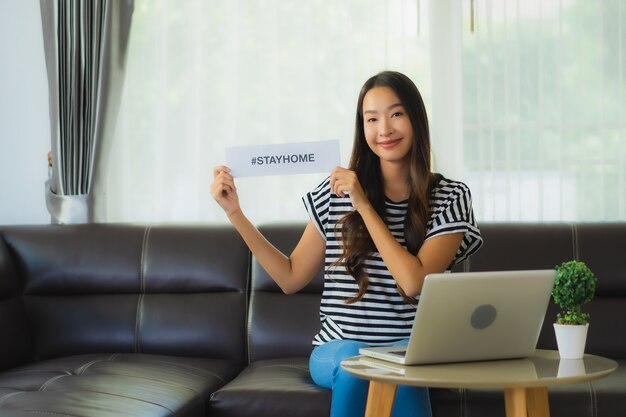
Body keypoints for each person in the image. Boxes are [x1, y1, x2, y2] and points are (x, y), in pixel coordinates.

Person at [211, 70, 483, 417]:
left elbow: (414, 282)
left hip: (410, 348)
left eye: (396, 114)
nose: (384, 129)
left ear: (416, 119)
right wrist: (235, 213)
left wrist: (364, 205)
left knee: (402, 372)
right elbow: (291, 277)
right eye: (372, 119)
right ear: (362, 127)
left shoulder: (449, 197)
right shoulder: (334, 193)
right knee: (356, 365)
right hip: (337, 348)